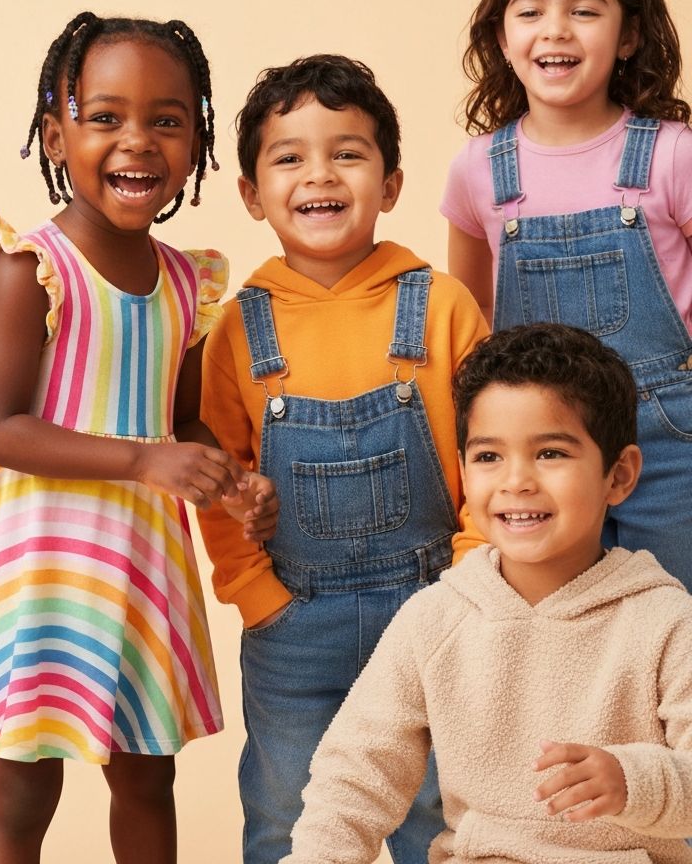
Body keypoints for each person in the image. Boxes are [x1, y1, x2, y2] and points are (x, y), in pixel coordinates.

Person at [0, 11, 275, 864]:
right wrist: (145, 460)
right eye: (105, 116)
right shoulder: (31, 267)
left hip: (137, 555)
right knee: (26, 778)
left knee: (147, 774)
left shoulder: (191, 281)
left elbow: (178, 417)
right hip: (42, 553)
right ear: (56, 132)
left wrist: (227, 477)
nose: (138, 141)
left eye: (168, 119)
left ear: (197, 139)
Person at [196, 54, 488, 864]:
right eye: (289, 157)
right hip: (294, 626)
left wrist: (469, 580)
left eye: (348, 153)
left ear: (391, 183)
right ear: (252, 194)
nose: (319, 174)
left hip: (435, 610)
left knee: (441, 820)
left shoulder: (441, 304)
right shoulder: (237, 328)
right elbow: (218, 479)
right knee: (291, 822)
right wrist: (258, 599)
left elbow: (490, 458)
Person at [283, 322, 692, 863]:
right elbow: (354, 776)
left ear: (619, 475)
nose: (516, 480)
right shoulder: (434, 617)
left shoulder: (666, 621)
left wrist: (632, 779)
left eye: (550, 453)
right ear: (463, 471)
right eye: (489, 457)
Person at [441, 0, 692, 588]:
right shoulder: (480, 172)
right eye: (530, 11)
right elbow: (473, 331)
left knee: (674, 618)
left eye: (585, 10)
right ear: (502, 34)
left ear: (630, 34)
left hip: (669, 446)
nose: (555, 30)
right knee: (559, 633)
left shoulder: (673, 155)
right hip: (536, 456)